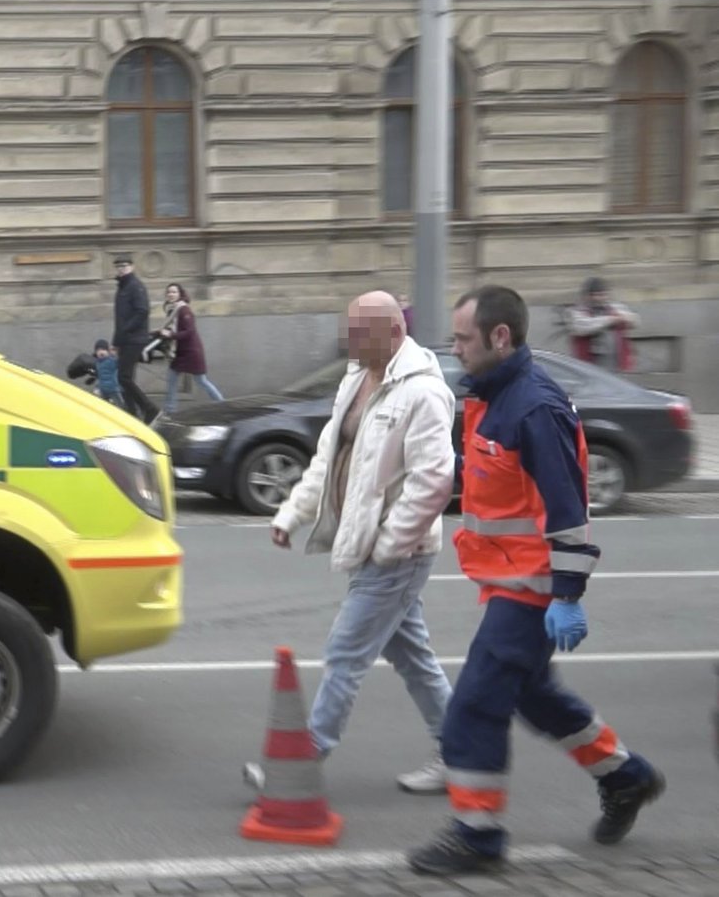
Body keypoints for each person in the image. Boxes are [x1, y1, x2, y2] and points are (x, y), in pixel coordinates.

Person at [408, 285, 664, 876]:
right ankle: (627, 776)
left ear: (501, 337)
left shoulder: (534, 407)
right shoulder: (490, 396)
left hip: (534, 587)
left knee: (473, 704)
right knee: (533, 695)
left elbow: (568, 509)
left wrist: (567, 595)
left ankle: (477, 837)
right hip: (508, 581)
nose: (456, 348)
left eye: (465, 338)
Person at [244, 290, 456, 795]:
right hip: (367, 545)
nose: (351, 340)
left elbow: (435, 480)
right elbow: (328, 458)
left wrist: (389, 545)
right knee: (413, 658)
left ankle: (301, 759)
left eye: (361, 333)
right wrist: (292, 512)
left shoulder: (423, 393)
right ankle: (462, 750)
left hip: (397, 554)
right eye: (350, 331)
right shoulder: (357, 379)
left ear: (394, 334)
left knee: (344, 653)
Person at [158, 283, 224, 416]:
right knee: (171, 379)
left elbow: (189, 331)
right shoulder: (174, 310)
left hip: (191, 352)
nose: (171, 294)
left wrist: (170, 334)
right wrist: (157, 333)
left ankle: (223, 405)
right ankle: (170, 411)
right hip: (180, 352)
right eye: (169, 292)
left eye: (174, 292)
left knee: (201, 381)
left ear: (180, 294)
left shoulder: (184, 310)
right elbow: (171, 329)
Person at [111, 254, 159, 423]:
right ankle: (132, 415)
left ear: (132, 267)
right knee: (125, 378)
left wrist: (126, 330)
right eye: (118, 266)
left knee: (123, 378)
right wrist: (116, 342)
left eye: (124, 266)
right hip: (125, 339)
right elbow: (120, 319)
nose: (121, 269)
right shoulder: (123, 287)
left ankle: (149, 408)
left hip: (135, 339)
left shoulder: (135, 286)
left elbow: (142, 311)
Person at [566, 276, 639, 372]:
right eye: (593, 295)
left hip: (616, 360)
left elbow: (634, 321)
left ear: (607, 295)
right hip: (590, 362)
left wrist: (625, 318)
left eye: (601, 294)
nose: (597, 298)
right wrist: (611, 320)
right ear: (586, 296)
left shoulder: (616, 308)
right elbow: (581, 328)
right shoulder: (577, 311)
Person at [92, 339, 123, 406]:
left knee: (120, 405)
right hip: (103, 389)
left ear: (107, 351)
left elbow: (119, 360)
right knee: (103, 405)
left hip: (114, 388)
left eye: (103, 349)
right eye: (98, 350)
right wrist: (97, 387)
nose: (101, 352)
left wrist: (114, 352)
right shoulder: (98, 363)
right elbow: (99, 376)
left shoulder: (112, 360)